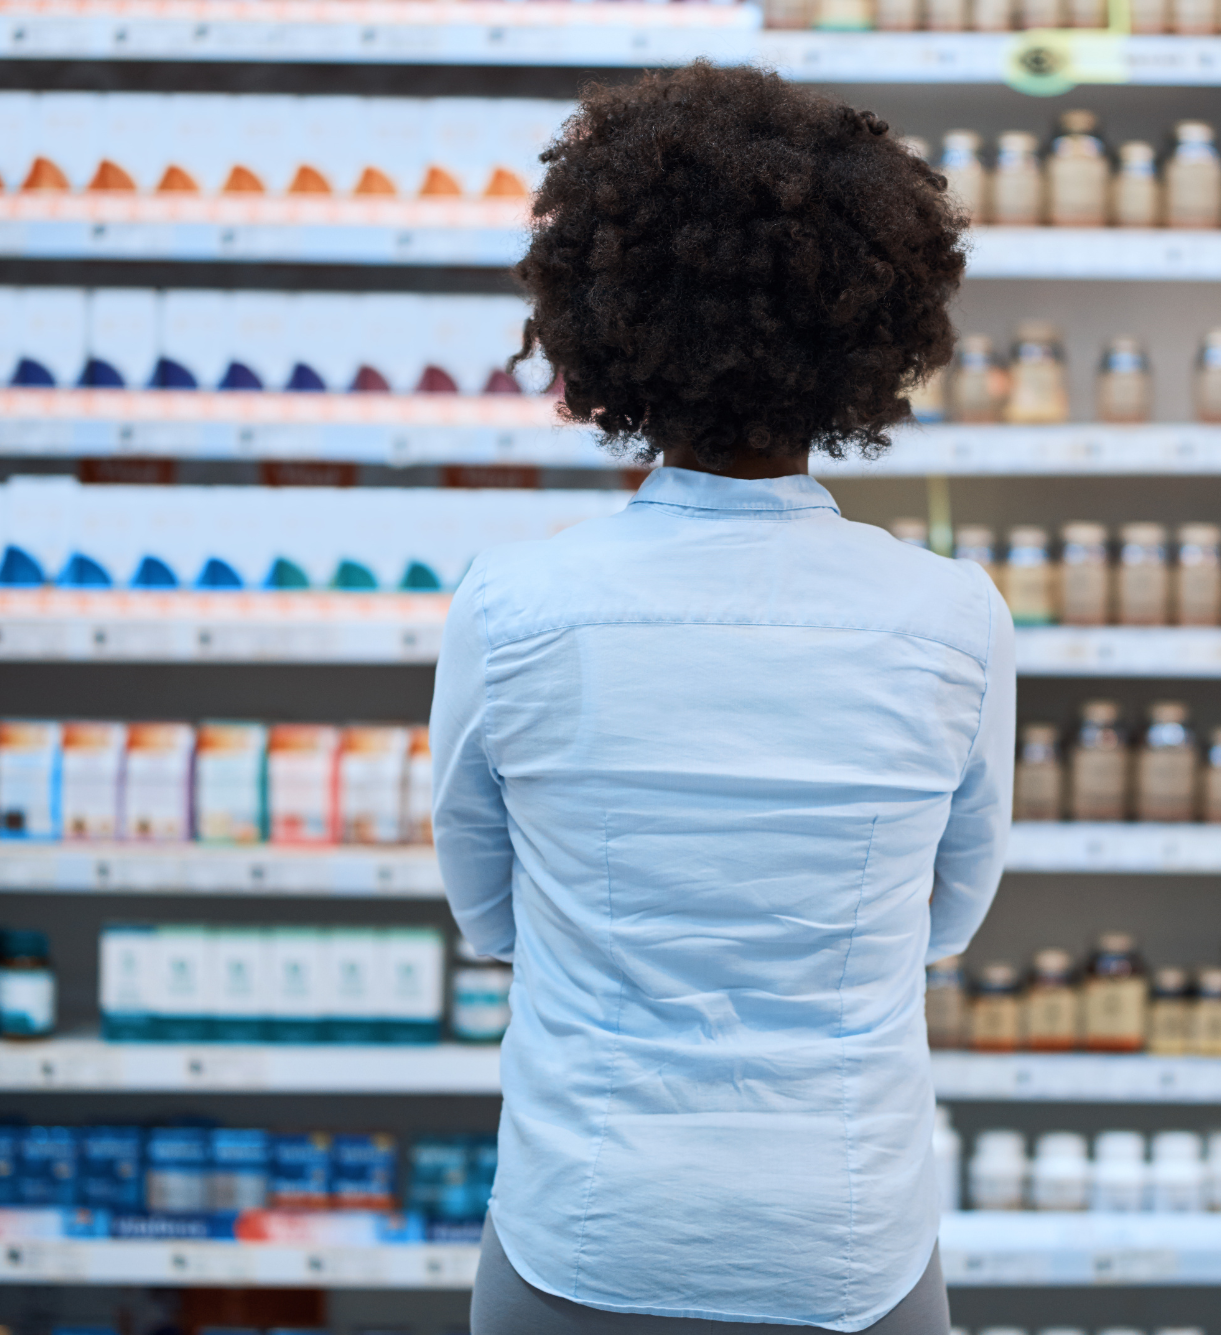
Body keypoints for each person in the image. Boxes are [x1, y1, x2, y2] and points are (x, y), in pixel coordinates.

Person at [430, 61, 1014, 1335]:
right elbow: (946, 914)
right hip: (848, 1242)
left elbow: (491, 912)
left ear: (597, 320)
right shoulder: (950, 616)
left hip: (582, 1228)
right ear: (874, 333)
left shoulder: (514, 606)